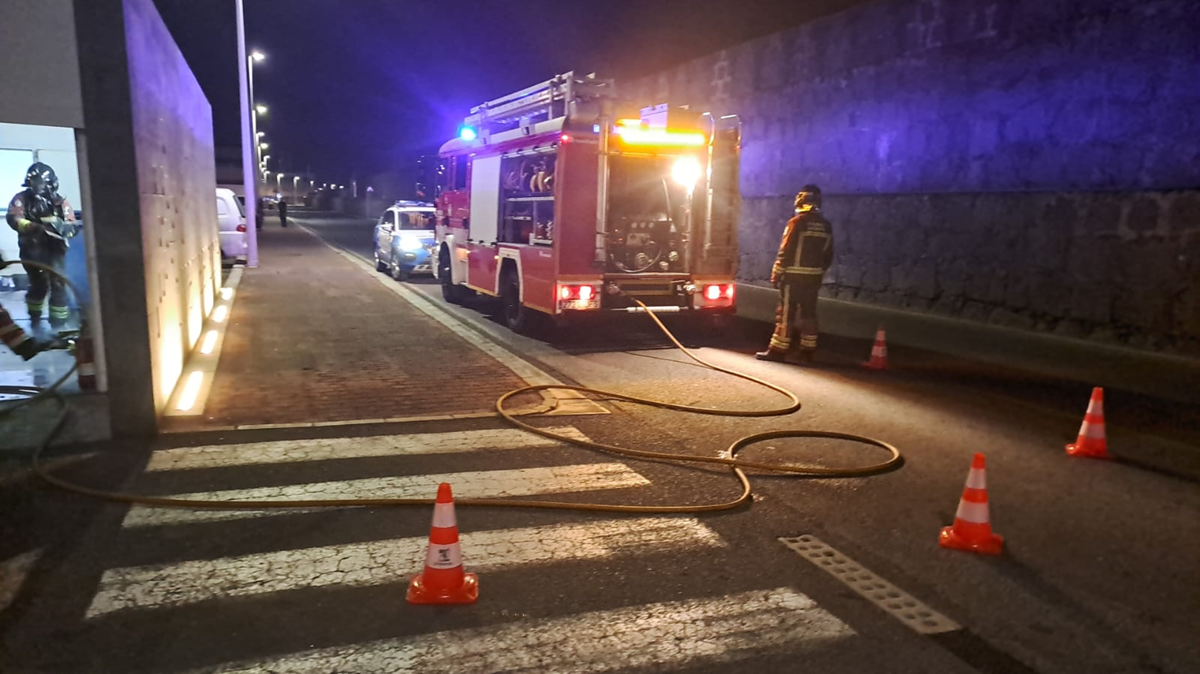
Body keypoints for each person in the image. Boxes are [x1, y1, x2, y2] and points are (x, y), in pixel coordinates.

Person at [756, 184, 834, 364]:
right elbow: (828, 255)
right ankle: (807, 351)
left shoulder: (796, 223)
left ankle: (778, 350)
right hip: (813, 279)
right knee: (809, 313)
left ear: (801, 199)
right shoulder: (826, 226)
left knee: (785, 313)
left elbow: (786, 250)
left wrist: (777, 272)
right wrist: (818, 272)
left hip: (792, 277)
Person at [6, 163, 77, 331]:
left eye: (42, 183)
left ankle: (58, 326)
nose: (38, 187)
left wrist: (63, 227)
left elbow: (72, 225)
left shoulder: (60, 202)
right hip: (32, 249)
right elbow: (14, 218)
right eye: (35, 183)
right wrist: (33, 227)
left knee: (59, 285)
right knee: (39, 285)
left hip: (56, 250)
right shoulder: (21, 199)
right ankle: (35, 321)